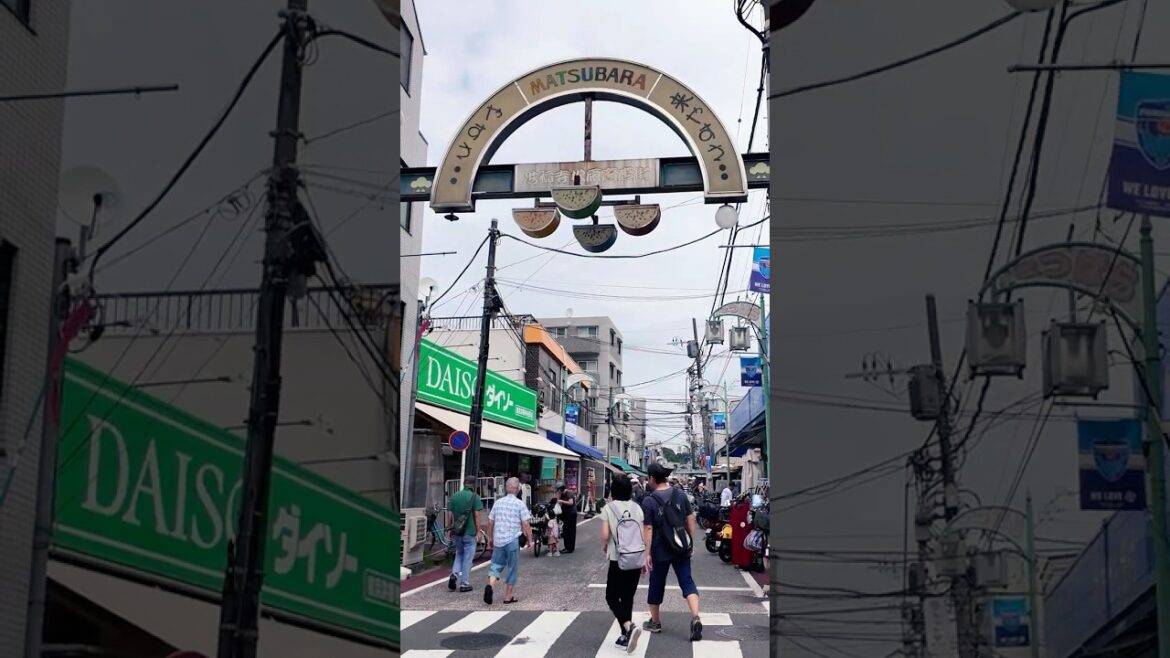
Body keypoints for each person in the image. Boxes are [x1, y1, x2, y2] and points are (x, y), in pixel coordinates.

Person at [640, 463, 703, 641]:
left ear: (652, 478)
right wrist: (690, 542)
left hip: (660, 550)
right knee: (687, 581)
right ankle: (696, 617)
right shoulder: (680, 494)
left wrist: (647, 553)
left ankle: (656, 621)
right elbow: (690, 518)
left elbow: (648, 528)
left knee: (656, 583)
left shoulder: (649, 500)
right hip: (681, 547)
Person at [601, 474, 645, 652]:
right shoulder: (637, 507)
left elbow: (605, 535)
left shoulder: (609, 508)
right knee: (628, 597)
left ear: (613, 490)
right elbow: (641, 533)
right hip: (635, 557)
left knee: (611, 596)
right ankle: (625, 635)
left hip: (617, 558)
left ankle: (629, 626)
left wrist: (605, 545)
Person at [485, 477, 533, 605]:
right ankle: (508, 597)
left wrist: (490, 537)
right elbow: (526, 523)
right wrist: (530, 539)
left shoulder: (498, 503)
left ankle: (490, 585)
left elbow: (490, 521)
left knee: (495, 565)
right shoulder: (519, 504)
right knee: (512, 568)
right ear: (517, 489)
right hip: (512, 539)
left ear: (507, 488)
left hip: (498, 540)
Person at [447, 476, 483, 593]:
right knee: (468, 558)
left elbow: (450, 514)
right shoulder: (475, 497)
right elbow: (477, 516)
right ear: (474, 485)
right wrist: (479, 531)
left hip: (458, 531)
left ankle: (454, 574)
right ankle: (464, 584)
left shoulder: (454, 496)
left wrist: (449, 528)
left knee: (459, 554)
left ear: (464, 483)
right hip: (470, 532)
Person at [556, 484, 578, 553]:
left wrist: (562, 501)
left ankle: (569, 548)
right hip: (566, 514)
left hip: (571, 514)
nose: (558, 491)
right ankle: (568, 547)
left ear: (561, 488)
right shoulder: (562, 494)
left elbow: (571, 502)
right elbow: (558, 500)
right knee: (566, 531)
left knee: (570, 531)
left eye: (558, 490)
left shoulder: (568, 493)